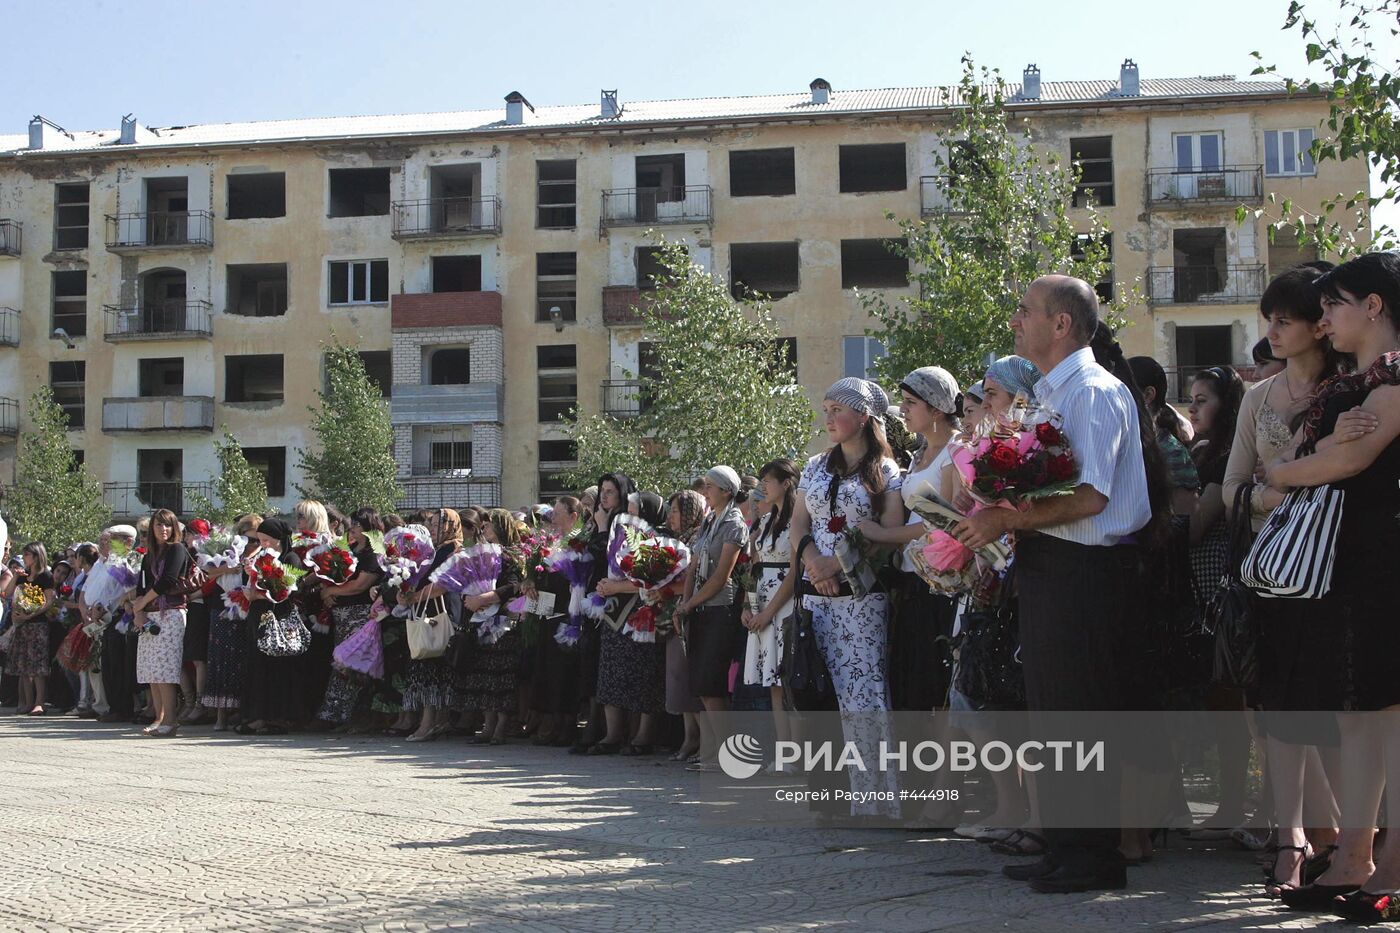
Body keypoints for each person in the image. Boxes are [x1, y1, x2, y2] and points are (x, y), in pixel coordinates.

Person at [956, 275, 1158, 893]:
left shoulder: (1093, 392)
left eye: (1026, 311)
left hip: (1086, 574)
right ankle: (1068, 845)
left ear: (1062, 324)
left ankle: (1094, 858)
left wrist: (1004, 515)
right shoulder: (1054, 393)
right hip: (1052, 568)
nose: (1016, 321)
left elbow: (1092, 495)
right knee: (1052, 714)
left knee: (1080, 715)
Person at [1265, 253, 1400, 919]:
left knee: (1388, 711)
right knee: (1359, 711)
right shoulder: (1360, 381)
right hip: (1355, 565)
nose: (1326, 317)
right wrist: (1300, 464)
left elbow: (1340, 461)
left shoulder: (1396, 380)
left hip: (1385, 564)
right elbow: (1299, 460)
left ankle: (1389, 858)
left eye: (1337, 303)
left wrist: (1291, 472)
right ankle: (1355, 852)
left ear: (1374, 306)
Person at [1223, 264, 1347, 895]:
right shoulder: (1256, 399)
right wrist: (1276, 496)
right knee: (1278, 708)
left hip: (1340, 571)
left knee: (1333, 708)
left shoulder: (1351, 390)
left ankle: (1339, 838)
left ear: (1318, 328)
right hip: (1277, 572)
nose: (1270, 331)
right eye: (1268, 319)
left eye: (1284, 320)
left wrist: (1285, 484)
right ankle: (1291, 836)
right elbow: (1230, 489)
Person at [788, 377, 905, 819]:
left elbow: (890, 531)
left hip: (861, 595)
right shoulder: (817, 465)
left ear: (863, 416)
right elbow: (799, 524)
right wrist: (814, 560)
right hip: (817, 593)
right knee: (820, 693)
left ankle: (875, 799)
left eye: (838, 408)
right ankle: (830, 796)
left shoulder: (887, 471)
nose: (830, 416)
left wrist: (839, 563)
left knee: (863, 694)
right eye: (826, 407)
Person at [856, 366, 963, 713]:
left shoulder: (955, 451)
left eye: (910, 402)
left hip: (941, 584)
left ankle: (944, 769)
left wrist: (884, 535)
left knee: (937, 685)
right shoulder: (920, 455)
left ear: (935, 408)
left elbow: (944, 523)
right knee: (911, 682)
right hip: (913, 577)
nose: (902, 410)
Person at [676, 467, 750, 769]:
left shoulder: (734, 524)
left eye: (711, 486)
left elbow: (722, 576)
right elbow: (694, 565)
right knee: (703, 684)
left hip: (721, 608)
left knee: (713, 683)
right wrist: (684, 601)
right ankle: (717, 749)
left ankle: (729, 754)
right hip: (700, 607)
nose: (705, 491)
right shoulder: (709, 520)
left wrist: (689, 603)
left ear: (727, 491)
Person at [591, 491, 670, 755]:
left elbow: (653, 580)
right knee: (610, 672)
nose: (629, 514)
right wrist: (606, 585)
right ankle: (613, 734)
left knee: (643, 674)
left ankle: (643, 736)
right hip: (615, 612)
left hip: (643, 612)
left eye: (634, 510)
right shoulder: (623, 534)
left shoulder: (660, 539)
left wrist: (617, 586)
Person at [452, 508, 525, 745]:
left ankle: (500, 726)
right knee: (483, 676)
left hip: (503, 623)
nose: (485, 529)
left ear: (502, 526)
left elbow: (513, 586)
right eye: (484, 526)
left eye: (490, 525)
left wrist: (483, 599)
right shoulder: (482, 554)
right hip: (480, 621)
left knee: (500, 676)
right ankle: (487, 723)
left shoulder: (512, 554)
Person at [741, 460, 798, 752]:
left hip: (784, 604)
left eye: (768, 480)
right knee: (773, 682)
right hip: (762, 599)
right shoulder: (764, 523)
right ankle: (784, 752)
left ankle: (800, 752)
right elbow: (753, 568)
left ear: (786, 483)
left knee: (789, 680)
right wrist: (748, 606)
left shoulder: (798, 520)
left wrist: (769, 612)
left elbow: (794, 572)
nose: (763, 486)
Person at [317, 507, 387, 728]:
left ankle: (351, 715)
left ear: (369, 527)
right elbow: (333, 577)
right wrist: (326, 591)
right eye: (352, 525)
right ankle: (334, 713)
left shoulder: (374, 553)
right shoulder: (349, 549)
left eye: (357, 525)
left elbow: (360, 585)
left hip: (360, 616)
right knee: (340, 663)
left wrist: (331, 592)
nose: (352, 529)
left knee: (353, 665)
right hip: (341, 615)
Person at [397, 509, 463, 742]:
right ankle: (434, 722)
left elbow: (444, 584)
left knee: (434, 667)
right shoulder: (434, 550)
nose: (433, 529)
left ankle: (430, 724)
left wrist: (413, 597)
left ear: (450, 526)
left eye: (438, 525)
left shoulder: (454, 550)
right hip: (426, 608)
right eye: (431, 524)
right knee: (428, 668)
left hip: (441, 611)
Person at [238, 517, 305, 735]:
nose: (263, 545)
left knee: (278, 668)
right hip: (258, 615)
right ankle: (259, 715)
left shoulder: (290, 558)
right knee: (258, 666)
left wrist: (259, 592)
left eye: (266, 540)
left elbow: (289, 589)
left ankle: (279, 717)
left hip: (279, 618)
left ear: (278, 539)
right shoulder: (260, 557)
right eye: (260, 540)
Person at [129, 509, 193, 737]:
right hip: (150, 614)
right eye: (158, 525)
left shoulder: (177, 549)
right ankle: (158, 716)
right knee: (150, 669)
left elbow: (168, 580)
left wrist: (142, 602)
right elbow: (142, 586)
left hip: (171, 612)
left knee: (165, 669)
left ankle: (171, 720)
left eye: (167, 525)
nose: (162, 529)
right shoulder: (149, 556)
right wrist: (138, 611)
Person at [203, 514, 260, 731]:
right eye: (249, 539)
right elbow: (207, 572)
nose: (253, 545)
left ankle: (243, 712)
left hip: (249, 614)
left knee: (244, 664)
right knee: (221, 662)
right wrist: (230, 569)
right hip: (223, 613)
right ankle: (221, 715)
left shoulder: (261, 557)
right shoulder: (227, 553)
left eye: (257, 540)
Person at [663, 489, 708, 761]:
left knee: (692, 679)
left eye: (677, 510)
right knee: (679, 678)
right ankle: (689, 736)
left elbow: (696, 577)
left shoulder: (698, 538)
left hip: (693, 611)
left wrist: (667, 590)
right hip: (675, 612)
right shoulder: (677, 540)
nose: (671, 516)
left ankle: (704, 739)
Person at [7, 542, 56, 714]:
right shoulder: (23, 575)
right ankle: (28, 702)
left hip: (38, 624)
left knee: (38, 666)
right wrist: (15, 576)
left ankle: (39, 702)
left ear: (36, 556)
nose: (24, 558)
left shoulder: (46, 576)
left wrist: (31, 614)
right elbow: (6, 593)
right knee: (24, 665)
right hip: (22, 625)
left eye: (27, 554)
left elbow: (49, 601)